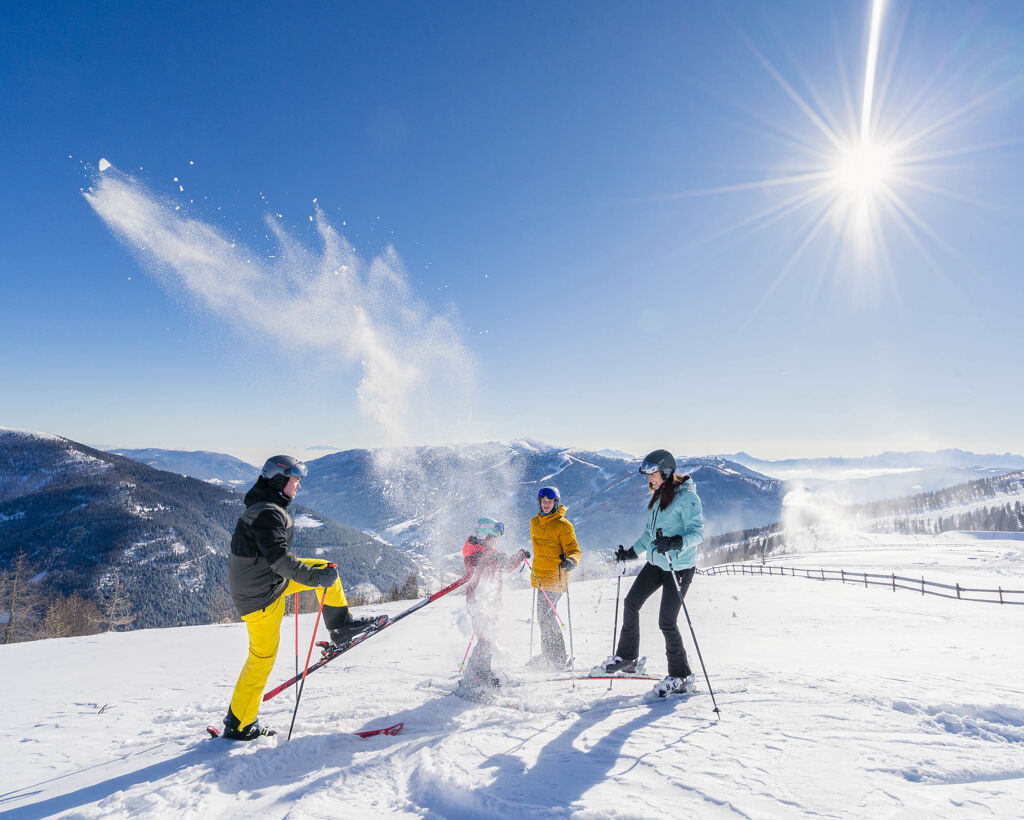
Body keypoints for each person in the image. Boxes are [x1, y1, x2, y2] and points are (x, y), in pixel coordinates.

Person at [224, 455, 378, 740]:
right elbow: (279, 559)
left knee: (326, 570)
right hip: (261, 596)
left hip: (266, 582)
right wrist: (311, 579)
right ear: (280, 480)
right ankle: (240, 725)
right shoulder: (268, 513)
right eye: (295, 481)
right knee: (261, 659)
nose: (298, 487)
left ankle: (341, 626)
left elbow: (278, 561)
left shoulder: (267, 507)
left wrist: (315, 576)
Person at [594, 449, 704, 697]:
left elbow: (697, 534)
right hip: (657, 562)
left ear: (665, 472)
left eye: (652, 474)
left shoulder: (687, 499)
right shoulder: (658, 496)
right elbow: (648, 536)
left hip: (679, 567)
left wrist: (675, 543)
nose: (649, 479)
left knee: (667, 621)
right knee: (631, 603)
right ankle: (627, 658)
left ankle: (681, 675)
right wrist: (631, 553)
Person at [461, 517, 529, 690]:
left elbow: (504, 566)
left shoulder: (489, 551)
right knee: (486, 640)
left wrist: (518, 556)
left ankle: (483, 673)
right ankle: (475, 676)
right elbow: (475, 567)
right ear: (485, 536)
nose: (496, 540)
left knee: (489, 638)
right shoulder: (474, 552)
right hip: (479, 603)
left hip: (491, 602)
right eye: (494, 537)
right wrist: (492, 558)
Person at [525, 486, 582, 670]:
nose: (546, 504)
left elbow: (574, 549)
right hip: (540, 577)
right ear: (540, 502)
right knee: (543, 618)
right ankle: (548, 656)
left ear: (556, 502)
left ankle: (557, 659)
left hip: (556, 578)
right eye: (543, 501)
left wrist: (572, 561)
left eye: (550, 501)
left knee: (547, 617)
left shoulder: (563, 525)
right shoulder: (534, 522)